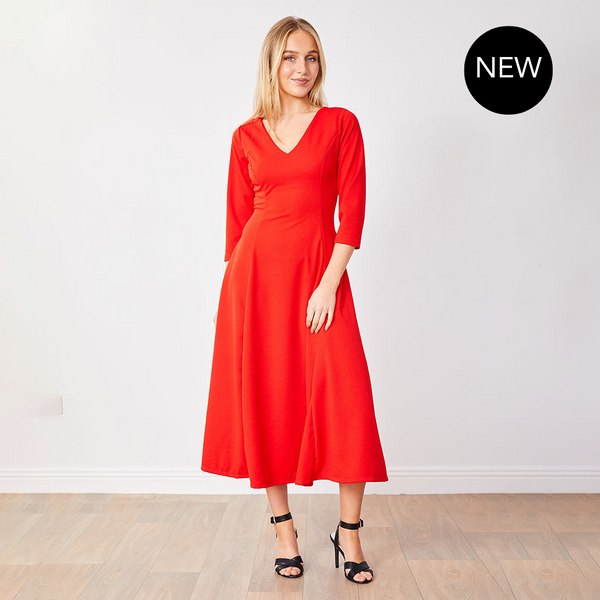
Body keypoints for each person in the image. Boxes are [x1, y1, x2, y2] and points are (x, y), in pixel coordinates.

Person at [201, 16, 388, 584]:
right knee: (269, 398)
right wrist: (241, 303)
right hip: (256, 283)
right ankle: (284, 531)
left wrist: (328, 283)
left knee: (346, 397)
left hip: (319, 276)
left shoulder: (340, 124)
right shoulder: (246, 135)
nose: (302, 68)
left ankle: (349, 534)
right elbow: (237, 226)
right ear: (272, 64)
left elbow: (351, 215)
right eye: (289, 57)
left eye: (310, 57)